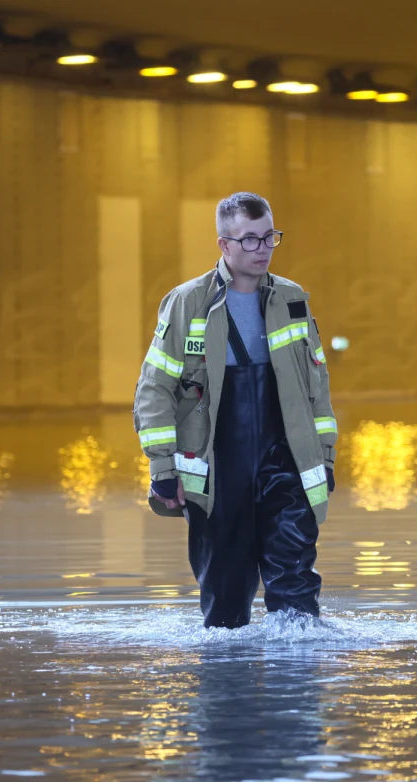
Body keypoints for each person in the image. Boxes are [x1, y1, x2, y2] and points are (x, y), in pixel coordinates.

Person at [132, 192, 338, 629]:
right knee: (226, 600)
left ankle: (299, 686)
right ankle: (229, 689)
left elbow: (315, 387)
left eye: (269, 238)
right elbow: (155, 389)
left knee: (297, 588)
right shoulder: (188, 303)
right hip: (217, 464)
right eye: (249, 240)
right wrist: (163, 467)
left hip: (284, 458)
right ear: (224, 244)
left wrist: (324, 455)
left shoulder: (292, 299)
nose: (261, 249)